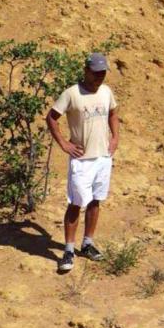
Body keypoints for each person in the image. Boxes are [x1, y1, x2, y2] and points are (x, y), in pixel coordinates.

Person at [46, 52, 119, 273]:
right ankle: (68, 249)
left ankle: (87, 243)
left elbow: (113, 113)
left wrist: (115, 138)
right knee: (76, 203)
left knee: (96, 200)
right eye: (96, 73)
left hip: (103, 157)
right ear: (86, 71)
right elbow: (51, 117)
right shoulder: (71, 93)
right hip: (81, 160)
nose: (100, 77)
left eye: (103, 73)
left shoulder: (106, 92)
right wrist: (64, 144)